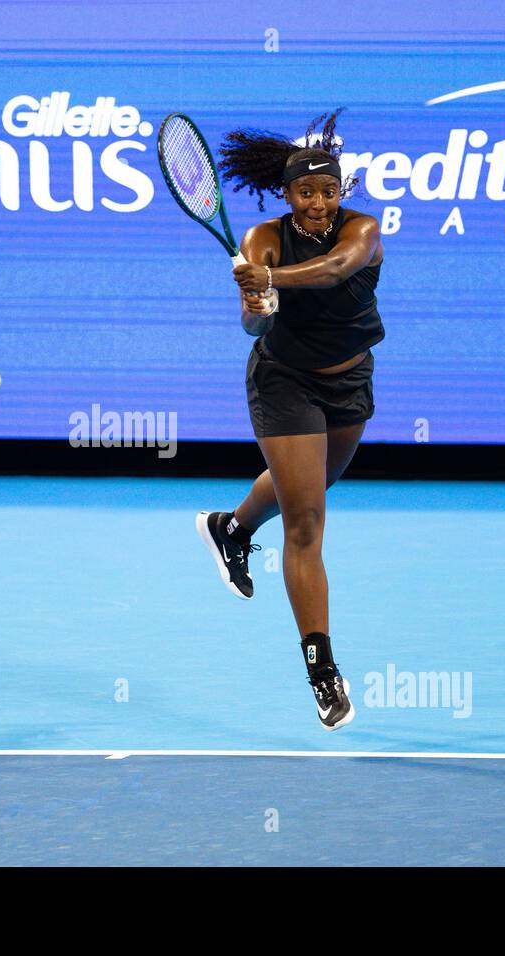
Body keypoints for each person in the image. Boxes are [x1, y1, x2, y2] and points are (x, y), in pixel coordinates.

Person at [195, 110, 384, 731]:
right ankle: (323, 674)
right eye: (307, 192)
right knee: (305, 523)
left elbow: (335, 270)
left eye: (329, 191)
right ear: (288, 194)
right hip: (285, 384)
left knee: (316, 483)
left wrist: (272, 279)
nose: (319, 203)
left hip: (351, 379)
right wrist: (257, 301)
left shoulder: (363, 231)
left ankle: (231, 527)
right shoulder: (261, 241)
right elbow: (256, 327)